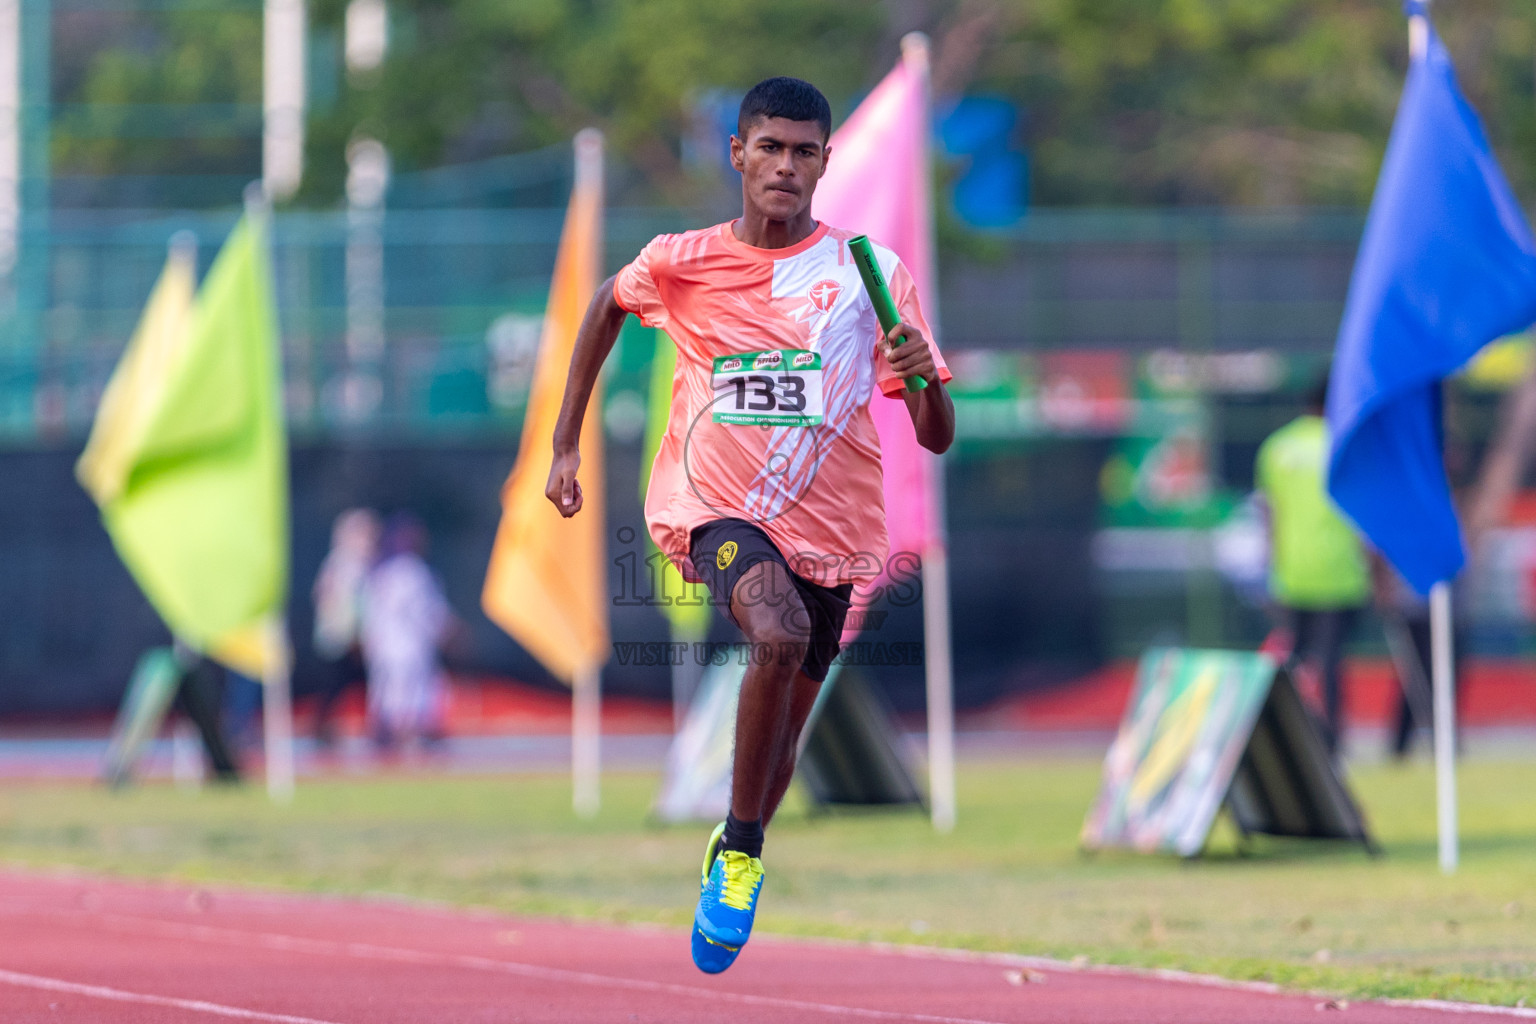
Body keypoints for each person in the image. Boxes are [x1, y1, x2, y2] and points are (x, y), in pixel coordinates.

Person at [544, 77, 953, 974]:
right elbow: (606, 307)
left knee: (777, 755)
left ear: (825, 163)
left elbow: (935, 435)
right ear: (738, 153)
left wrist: (921, 375)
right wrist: (566, 442)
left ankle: (743, 839)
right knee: (775, 626)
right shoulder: (681, 258)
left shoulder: (871, 276)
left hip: (837, 527)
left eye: (804, 151)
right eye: (769, 147)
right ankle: (737, 851)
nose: (785, 166)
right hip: (715, 507)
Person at [1255, 374, 1370, 756]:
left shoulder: (1277, 447)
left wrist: (1271, 568)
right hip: (1340, 572)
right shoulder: (1344, 444)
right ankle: (1333, 742)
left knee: (1295, 663)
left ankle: (1292, 736)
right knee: (1332, 662)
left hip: (1292, 572)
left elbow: (1268, 516)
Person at [361, 513, 453, 751]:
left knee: (388, 693)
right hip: (411, 646)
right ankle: (409, 737)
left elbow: (371, 613)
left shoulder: (382, 573)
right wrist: (445, 630)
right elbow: (430, 612)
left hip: (385, 645)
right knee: (412, 693)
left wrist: (370, 640)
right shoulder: (417, 573)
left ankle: (390, 737)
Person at [311, 508, 381, 748]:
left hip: (352, 638)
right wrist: (349, 633)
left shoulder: (358, 565)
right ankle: (323, 727)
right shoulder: (343, 564)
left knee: (351, 687)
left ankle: (371, 727)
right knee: (335, 686)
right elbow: (335, 601)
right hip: (340, 638)